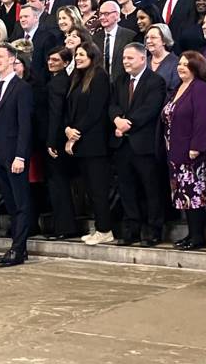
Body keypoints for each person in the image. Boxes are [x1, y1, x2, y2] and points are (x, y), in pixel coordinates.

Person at [109, 43, 166, 246]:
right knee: (127, 189)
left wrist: (127, 124)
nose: (126, 61)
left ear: (143, 59)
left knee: (150, 189)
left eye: (130, 58)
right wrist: (117, 120)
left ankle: (153, 230)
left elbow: (150, 108)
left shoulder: (155, 81)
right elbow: (112, 104)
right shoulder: (120, 80)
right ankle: (131, 229)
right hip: (122, 145)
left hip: (144, 144)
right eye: (124, 58)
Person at [161, 51, 206, 251]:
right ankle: (191, 234)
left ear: (196, 67)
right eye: (180, 64)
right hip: (175, 152)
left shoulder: (201, 88)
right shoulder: (178, 88)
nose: (181, 67)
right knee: (183, 195)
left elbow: (203, 120)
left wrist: (196, 147)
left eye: (186, 64)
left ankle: (198, 236)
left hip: (192, 154)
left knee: (194, 195)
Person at [0, 43, 34, 267]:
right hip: (0, 155)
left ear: (13, 60)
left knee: (21, 203)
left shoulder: (21, 88)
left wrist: (21, 156)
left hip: (15, 155)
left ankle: (18, 248)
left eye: (0, 56)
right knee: (12, 204)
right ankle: (18, 248)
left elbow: (25, 125)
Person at [65, 42, 112, 245]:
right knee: (89, 190)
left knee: (98, 189)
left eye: (82, 55)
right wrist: (68, 129)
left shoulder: (100, 76)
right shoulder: (77, 77)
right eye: (76, 56)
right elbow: (70, 109)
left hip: (94, 142)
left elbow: (95, 111)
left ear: (92, 56)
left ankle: (105, 230)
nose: (78, 58)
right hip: (80, 142)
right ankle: (99, 228)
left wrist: (76, 133)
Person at [44, 46, 76, 239]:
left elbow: (56, 114)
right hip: (59, 138)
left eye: (55, 60)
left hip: (56, 141)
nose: (50, 62)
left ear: (65, 63)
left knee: (58, 185)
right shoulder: (62, 80)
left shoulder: (58, 83)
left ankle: (64, 228)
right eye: (49, 59)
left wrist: (50, 142)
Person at [94, 0, 136, 82]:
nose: (102, 17)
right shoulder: (94, 38)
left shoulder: (130, 36)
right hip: (100, 83)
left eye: (106, 14)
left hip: (123, 83)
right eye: (100, 14)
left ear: (117, 15)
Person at [144, 23, 180, 93]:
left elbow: (175, 91)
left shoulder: (176, 62)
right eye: (147, 37)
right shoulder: (144, 62)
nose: (148, 41)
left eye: (153, 37)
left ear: (164, 41)